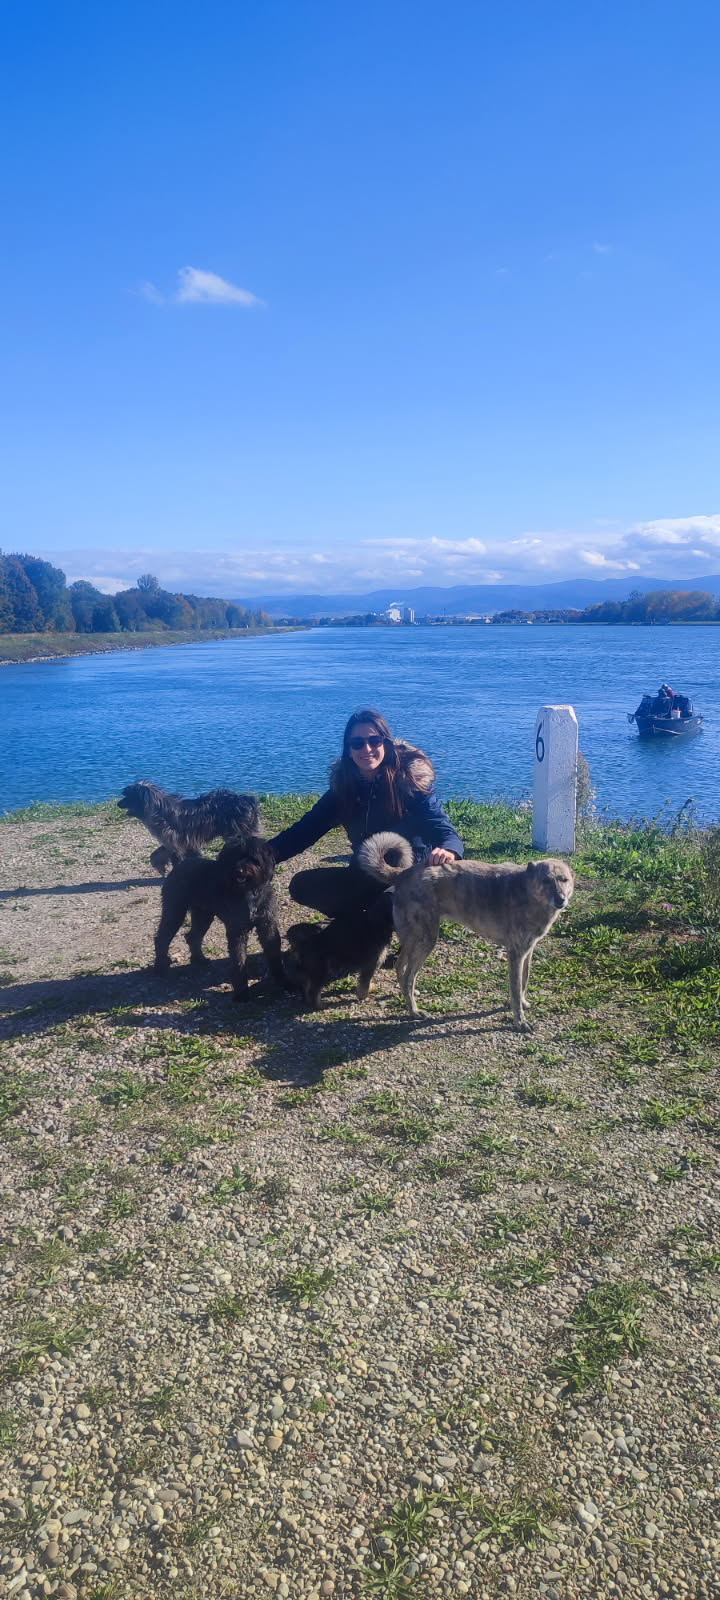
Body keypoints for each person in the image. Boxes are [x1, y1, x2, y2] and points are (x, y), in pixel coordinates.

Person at [269, 708, 464, 921]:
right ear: (349, 750)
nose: (367, 748)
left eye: (374, 740)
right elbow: (305, 830)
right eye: (357, 743)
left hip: (406, 877)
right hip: (365, 871)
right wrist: (260, 856)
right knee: (302, 886)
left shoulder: (408, 783)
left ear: (385, 744)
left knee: (383, 908)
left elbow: (444, 829)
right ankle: (358, 922)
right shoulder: (344, 788)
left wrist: (448, 850)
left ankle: (373, 925)